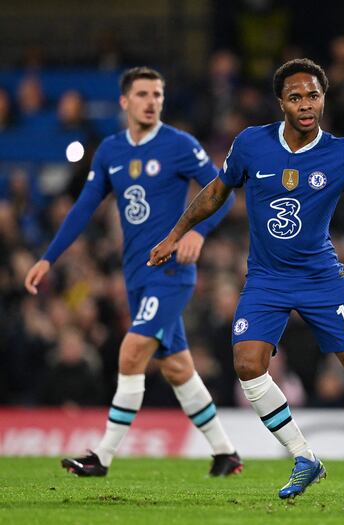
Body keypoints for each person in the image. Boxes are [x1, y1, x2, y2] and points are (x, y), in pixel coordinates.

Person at [149, 58, 344, 502]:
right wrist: (176, 233)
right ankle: (305, 457)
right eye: (296, 97)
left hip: (321, 276)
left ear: (323, 97)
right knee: (247, 365)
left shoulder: (342, 153)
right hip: (267, 278)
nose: (306, 104)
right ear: (281, 103)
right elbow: (216, 190)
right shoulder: (251, 143)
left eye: (313, 95)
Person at [24, 67, 241, 477]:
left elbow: (221, 193)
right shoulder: (110, 150)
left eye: (158, 94)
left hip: (171, 272)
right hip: (135, 276)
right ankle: (226, 452)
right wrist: (48, 257)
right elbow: (84, 208)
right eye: (143, 94)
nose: (152, 101)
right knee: (177, 367)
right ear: (125, 101)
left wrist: (199, 231)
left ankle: (102, 457)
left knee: (131, 351)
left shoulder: (179, 144)